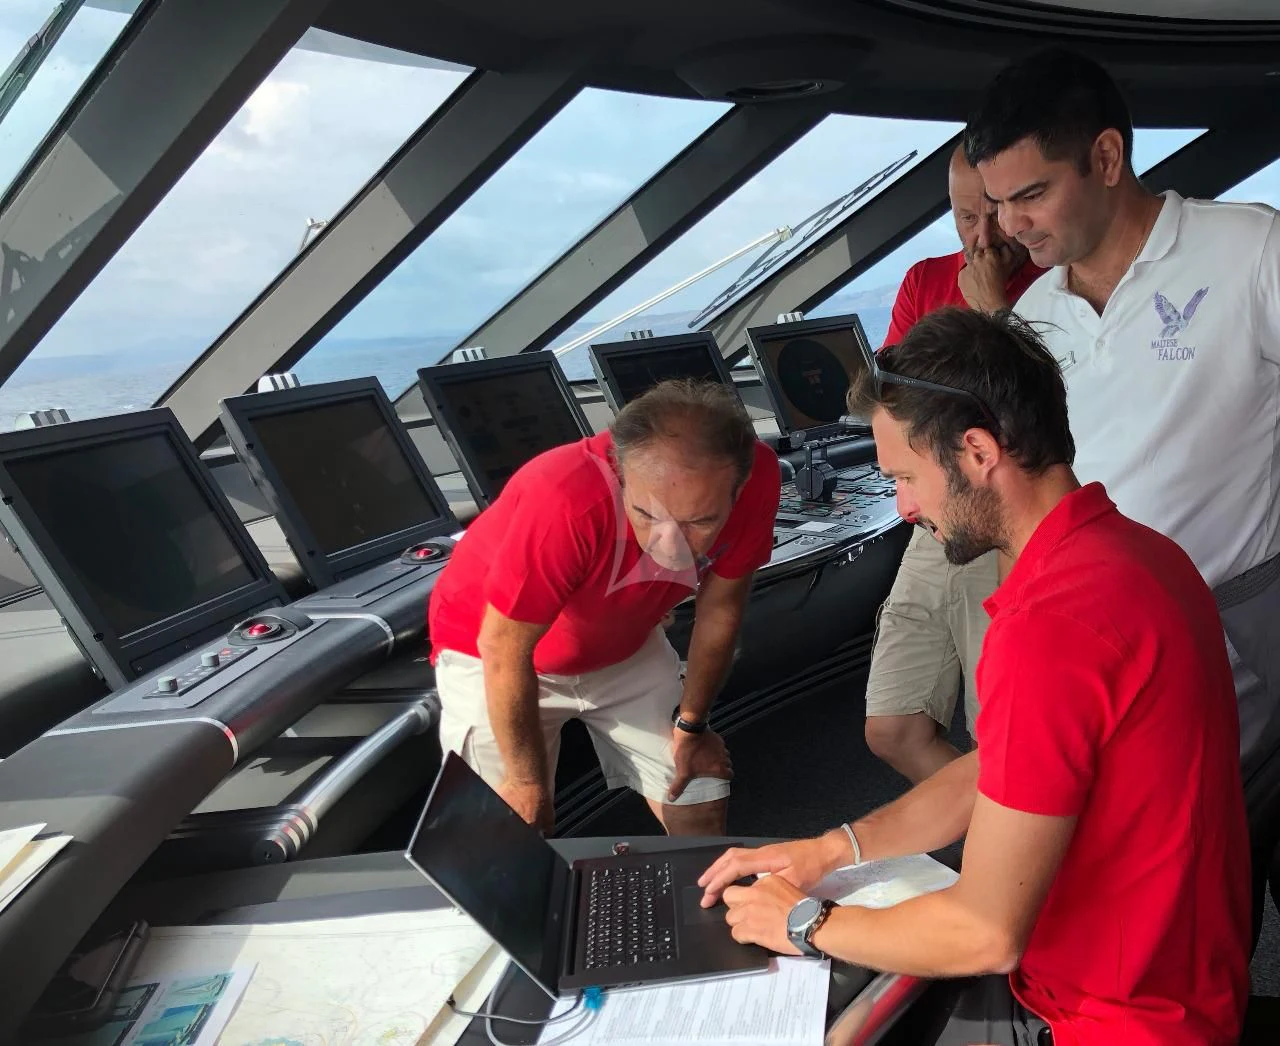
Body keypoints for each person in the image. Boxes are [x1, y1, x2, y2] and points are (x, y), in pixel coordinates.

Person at [698, 308, 1252, 1046]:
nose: (901, 506)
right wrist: (831, 849)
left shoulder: (1050, 626)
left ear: (978, 451)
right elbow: (999, 771)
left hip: (1107, 1018)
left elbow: (985, 935)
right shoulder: (1140, 554)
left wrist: (803, 919)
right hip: (1181, 980)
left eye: (905, 477)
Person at [968, 46, 1280, 773]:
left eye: (1032, 194)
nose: (1011, 225)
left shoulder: (1250, 249)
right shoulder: (1035, 312)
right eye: (1000, 203)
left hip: (1240, 621)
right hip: (1104, 636)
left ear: (1106, 158)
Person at [427, 378, 781, 836]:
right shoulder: (563, 498)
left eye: (700, 521)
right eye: (647, 513)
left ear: (741, 483)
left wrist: (692, 725)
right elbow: (504, 648)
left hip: (623, 643)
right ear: (620, 470)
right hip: (494, 652)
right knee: (507, 830)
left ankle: (700, 901)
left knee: (696, 787)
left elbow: (720, 609)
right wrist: (526, 782)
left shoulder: (761, 477)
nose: (668, 545)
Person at [865, 145, 1045, 783]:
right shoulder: (923, 280)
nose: (983, 235)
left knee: (999, 728)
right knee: (893, 726)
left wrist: (992, 305)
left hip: (996, 513)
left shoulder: (1056, 283)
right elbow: (894, 399)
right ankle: (1006, 851)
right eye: (964, 216)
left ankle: (1016, 866)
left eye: (994, 213)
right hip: (931, 522)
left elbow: (1035, 417)